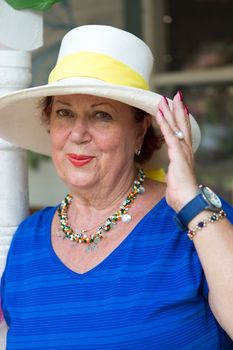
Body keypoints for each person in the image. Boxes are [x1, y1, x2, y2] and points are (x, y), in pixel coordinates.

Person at [0, 25, 232, 350]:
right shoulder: (28, 240)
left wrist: (190, 200)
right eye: (65, 113)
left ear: (139, 133)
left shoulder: (197, 219)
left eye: (102, 116)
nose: (78, 134)